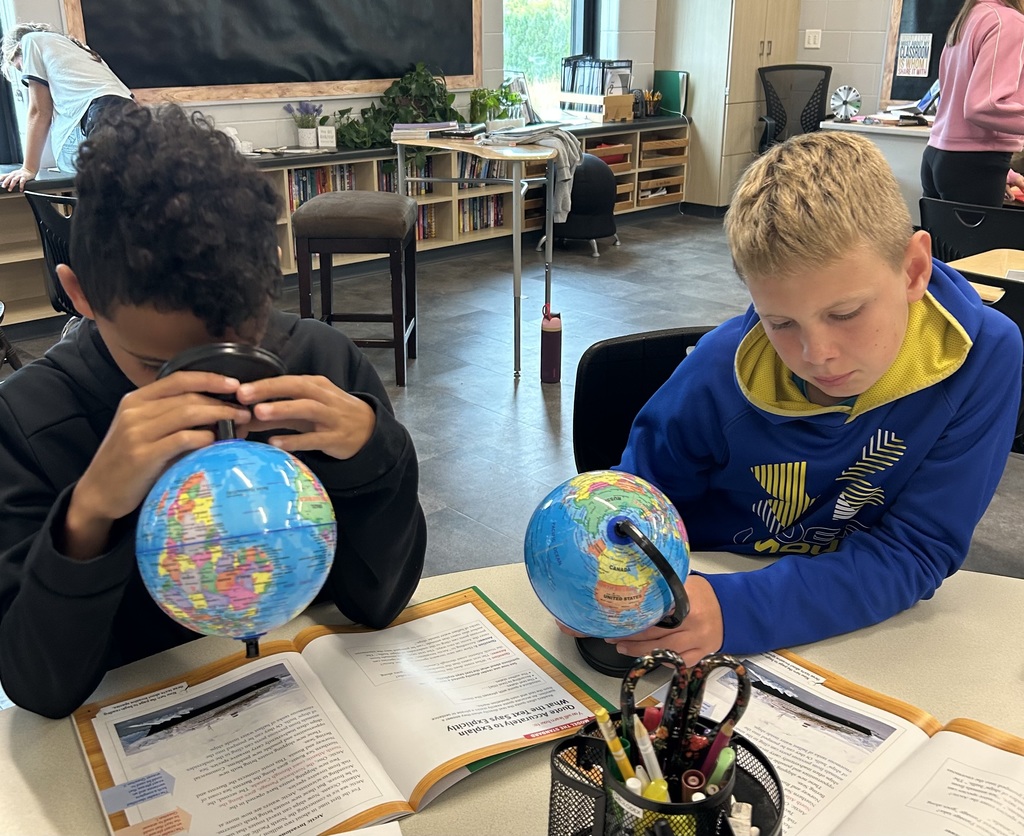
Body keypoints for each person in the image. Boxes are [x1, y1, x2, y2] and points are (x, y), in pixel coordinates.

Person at [0, 102, 427, 718]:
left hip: (309, 702)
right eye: (159, 365)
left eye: (244, 347)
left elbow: (381, 602)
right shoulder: (27, 422)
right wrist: (88, 512)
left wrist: (375, 452)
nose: (214, 389)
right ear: (80, 295)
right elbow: (39, 689)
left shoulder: (322, 365)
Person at [596, 130, 1022, 665]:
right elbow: (632, 512)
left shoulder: (985, 357)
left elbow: (917, 548)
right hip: (698, 599)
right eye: (780, 323)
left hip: (826, 626)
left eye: (845, 314)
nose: (817, 354)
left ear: (914, 270)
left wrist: (740, 610)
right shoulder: (715, 369)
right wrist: (598, 577)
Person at [0, 22, 133, 190]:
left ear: (18, 48)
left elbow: (40, 111)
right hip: (130, 114)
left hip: (101, 113)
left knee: (104, 193)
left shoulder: (29, 42)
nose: (25, 72)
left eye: (20, 67)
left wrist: (28, 168)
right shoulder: (78, 50)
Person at [921, 0, 1024, 207]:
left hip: (939, 157)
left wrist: (1001, 173)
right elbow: (983, 107)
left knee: (941, 230)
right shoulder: (1008, 21)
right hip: (974, 164)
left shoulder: (970, 17)